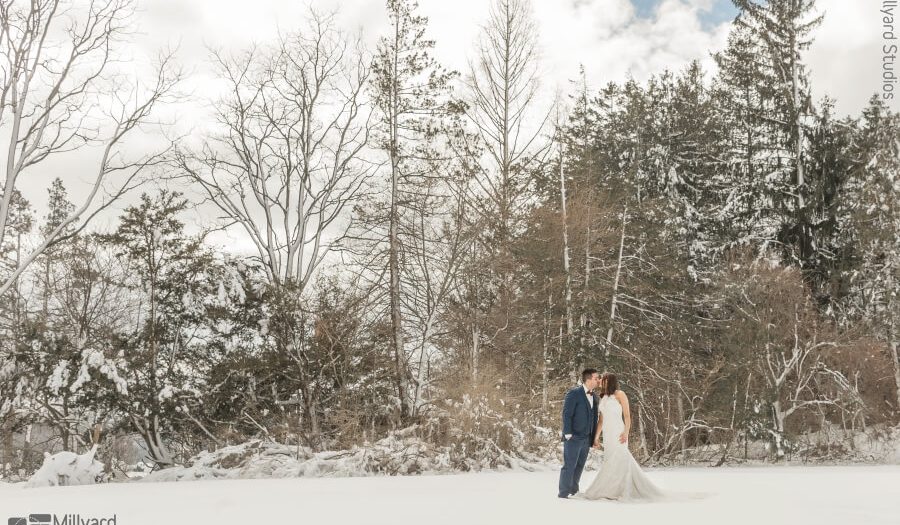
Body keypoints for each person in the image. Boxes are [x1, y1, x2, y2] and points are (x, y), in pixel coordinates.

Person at [583, 372, 666, 501]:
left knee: (620, 457)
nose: (600, 382)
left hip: (618, 432)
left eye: (603, 380)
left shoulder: (620, 394)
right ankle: (610, 488)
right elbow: (601, 420)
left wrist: (626, 432)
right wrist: (596, 437)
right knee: (610, 460)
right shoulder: (603, 397)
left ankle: (621, 489)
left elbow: (627, 416)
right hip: (608, 433)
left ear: (609, 381)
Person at [558, 368, 600, 499]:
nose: (598, 380)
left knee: (580, 465)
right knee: (569, 465)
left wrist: (593, 438)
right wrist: (568, 433)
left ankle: (574, 490)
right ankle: (563, 493)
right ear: (588, 380)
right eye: (596, 378)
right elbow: (567, 414)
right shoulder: (574, 393)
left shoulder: (595, 396)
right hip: (573, 437)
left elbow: (594, 418)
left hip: (586, 438)